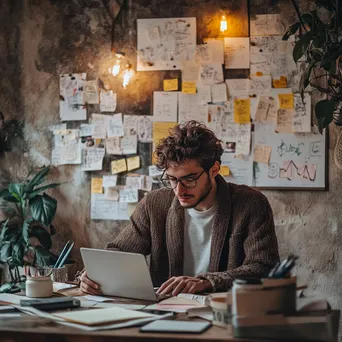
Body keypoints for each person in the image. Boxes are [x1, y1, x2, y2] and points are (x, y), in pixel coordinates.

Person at [80, 121, 279, 296]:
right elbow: (118, 253)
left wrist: (208, 282)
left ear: (214, 170)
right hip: (164, 311)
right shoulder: (155, 204)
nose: (179, 190)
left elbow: (264, 268)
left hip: (223, 312)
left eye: (189, 179)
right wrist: (92, 275)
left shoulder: (251, 204)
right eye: (172, 180)